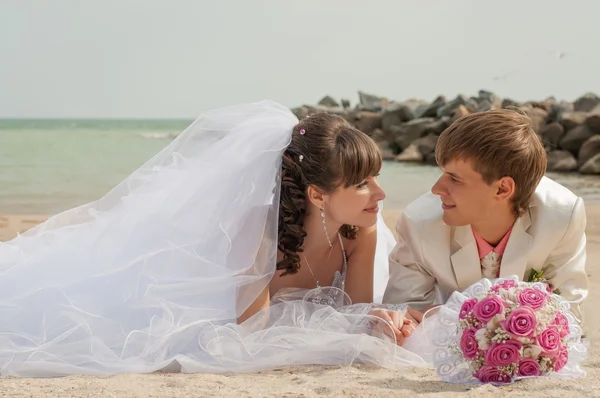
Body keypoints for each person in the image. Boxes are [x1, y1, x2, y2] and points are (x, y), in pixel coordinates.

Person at [0, 100, 425, 378]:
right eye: (363, 184)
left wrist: (377, 322)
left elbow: (354, 313)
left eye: (377, 179)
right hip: (180, 307)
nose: (380, 195)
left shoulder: (363, 232)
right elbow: (250, 333)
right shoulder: (259, 232)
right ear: (317, 194)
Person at [383, 108, 589, 325]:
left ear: (502, 189)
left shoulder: (561, 216)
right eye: (442, 173)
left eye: (455, 179)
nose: (436, 189)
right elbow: (401, 312)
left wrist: (459, 316)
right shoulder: (419, 224)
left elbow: (568, 313)